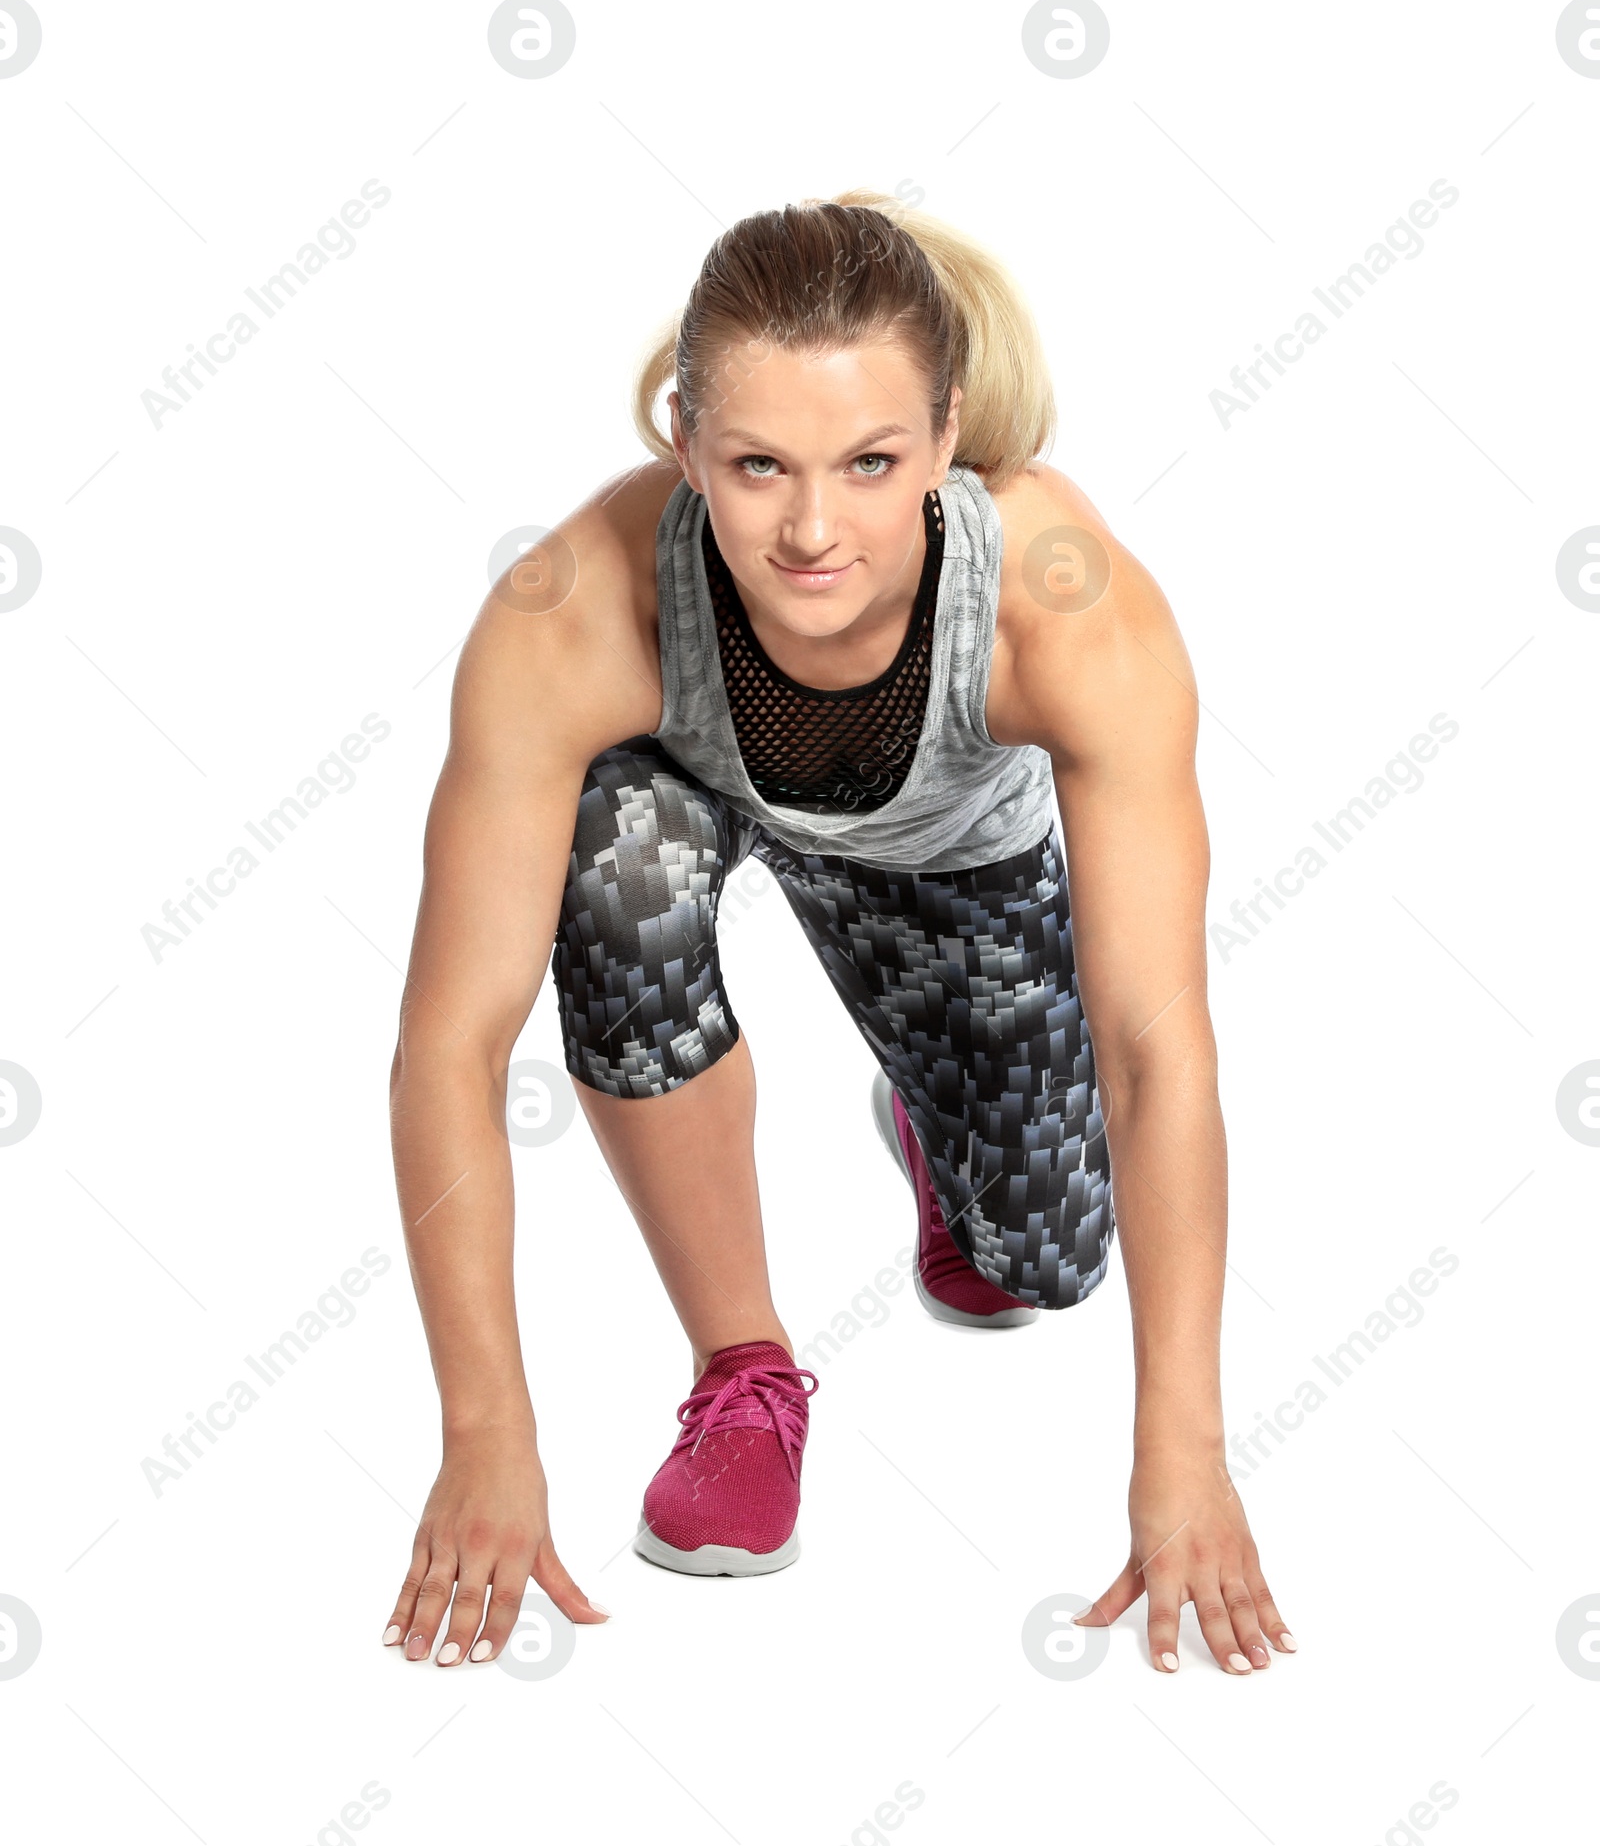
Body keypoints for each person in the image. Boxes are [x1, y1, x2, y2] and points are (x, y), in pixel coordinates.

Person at [381, 190, 1295, 1678]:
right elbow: (447, 1043)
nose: (813, 529)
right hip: (685, 788)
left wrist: (1185, 1452)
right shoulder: (573, 609)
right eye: (757, 466)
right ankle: (743, 1371)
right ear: (682, 440)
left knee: (1044, 1258)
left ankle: (938, 1128)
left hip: (943, 867)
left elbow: (1151, 1040)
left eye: (871, 463)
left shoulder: (1064, 609)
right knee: (617, 855)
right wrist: (486, 1434)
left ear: (948, 442)